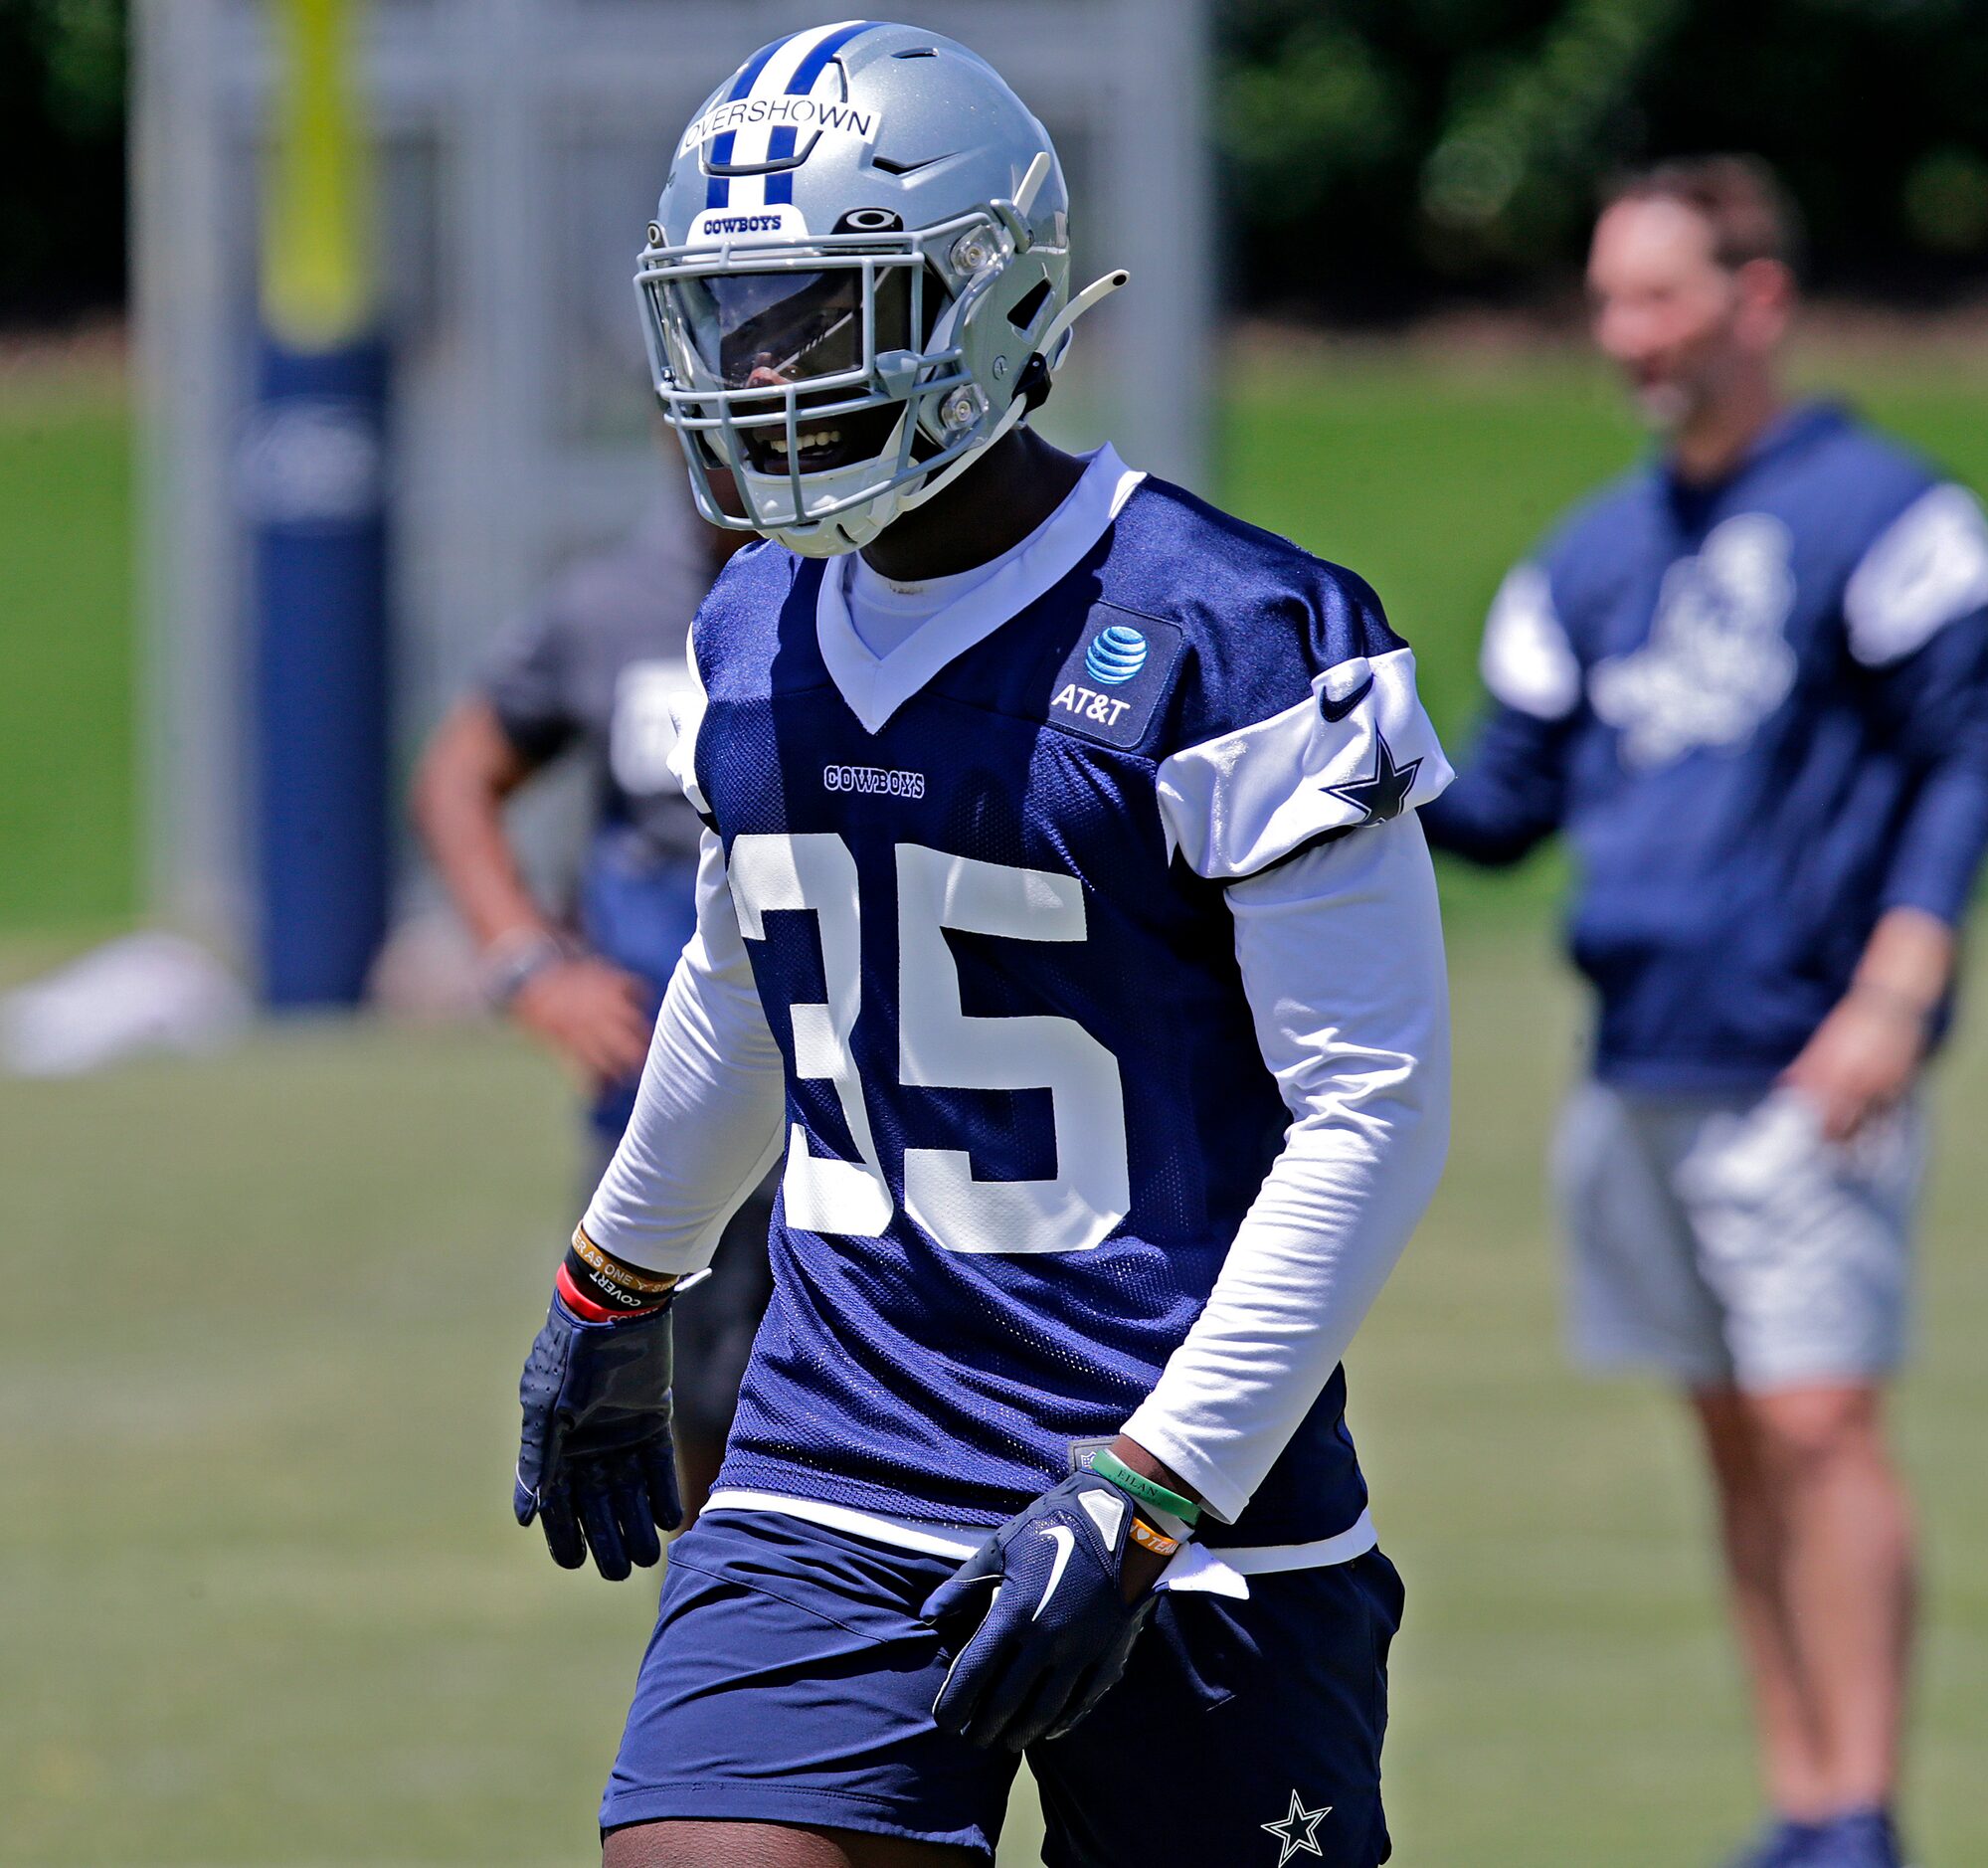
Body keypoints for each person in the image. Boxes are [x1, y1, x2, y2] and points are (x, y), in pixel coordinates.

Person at [509, 22, 1453, 1868]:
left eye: (813, 314)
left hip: (1191, 1483)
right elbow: (746, 986)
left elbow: (1373, 1107)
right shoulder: (751, 625)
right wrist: (614, 1278)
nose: (756, 377)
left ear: (983, 298)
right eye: (732, 321)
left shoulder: (1233, 632)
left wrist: (1147, 1489)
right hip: (835, 1447)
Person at [1423, 158, 1988, 1868]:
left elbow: (1964, 755)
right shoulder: (1587, 557)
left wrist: (1899, 984)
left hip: (1804, 1053)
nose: (1625, 335)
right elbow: (1503, 804)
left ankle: (1860, 1813)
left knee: (1820, 1419)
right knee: (1732, 1436)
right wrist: (1342, 759)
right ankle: (1797, 1793)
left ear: (1757, 297)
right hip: (1636, 1059)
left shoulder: (1889, 517)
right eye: (1605, 300)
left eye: (1657, 295)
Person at [413, 474, 773, 1508]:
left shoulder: (873, 589)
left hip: (856, 1107)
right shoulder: (608, 605)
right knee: (690, 1441)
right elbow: (456, 777)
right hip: (672, 1106)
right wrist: (529, 963)